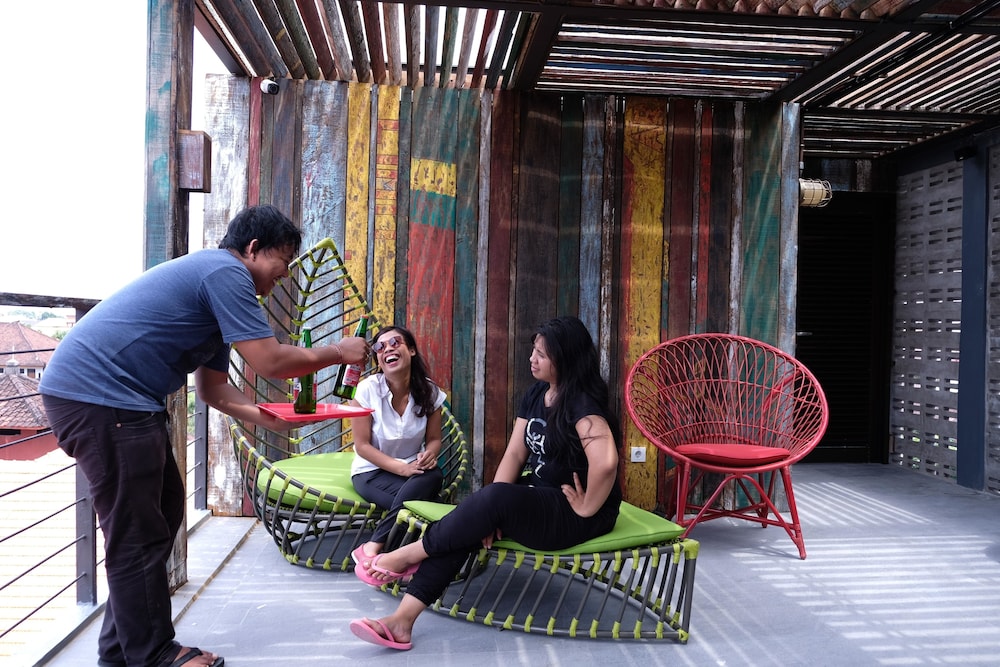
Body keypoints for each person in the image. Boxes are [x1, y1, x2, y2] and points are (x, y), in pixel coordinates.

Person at [39, 205, 368, 667]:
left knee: (163, 512)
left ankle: (120, 652)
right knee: (137, 533)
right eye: (283, 260)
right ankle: (153, 654)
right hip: (101, 398)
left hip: (120, 402)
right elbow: (271, 361)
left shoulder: (221, 292)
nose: (285, 275)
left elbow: (213, 390)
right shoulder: (225, 273)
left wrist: (266, 419)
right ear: (252, 248)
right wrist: (337, 351)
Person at [349, 315, 622, 651]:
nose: (532, 359)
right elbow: (515, 454)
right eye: (533, 351)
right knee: (472, 522)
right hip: (541, 498)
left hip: (575, 513)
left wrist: (588, 506)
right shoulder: (538, 393)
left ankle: (408, 555)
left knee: (488, 505)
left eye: (541, 354)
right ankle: (401, 623)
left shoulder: (581, 403)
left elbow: (606, 462)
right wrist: (492, 513)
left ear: (565, 359)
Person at [348, 325, 447, 569]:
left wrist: (429, 454)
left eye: (395, 343)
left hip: (413, 471)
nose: (387, 349)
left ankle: (375, 547)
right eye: (380, 347)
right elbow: (362, 446)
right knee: (427, 500)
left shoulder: (430, 392)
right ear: (379, 361)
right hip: (371, 473)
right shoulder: (367, 390)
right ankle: (398, 554)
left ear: (411, 350)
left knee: (433, 476)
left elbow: (434, 439)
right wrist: (401, 468)